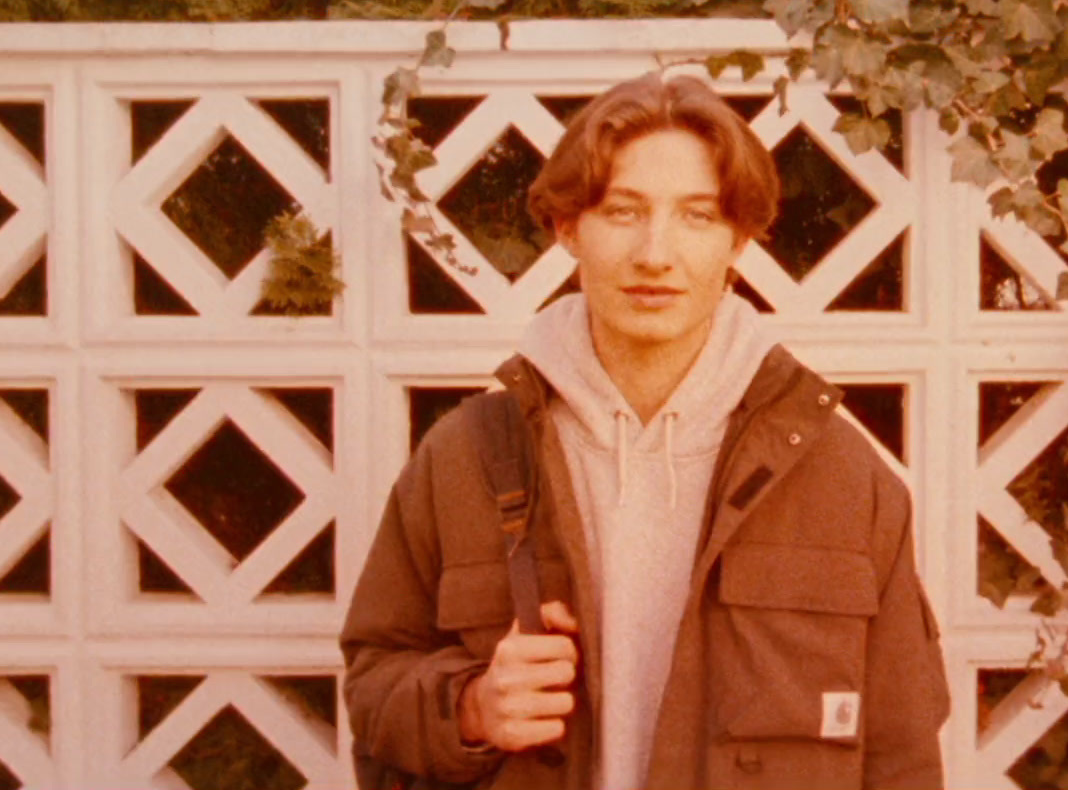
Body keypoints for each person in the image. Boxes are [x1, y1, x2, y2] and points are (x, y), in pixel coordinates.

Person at [340, 72, 951, 789]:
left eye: (696, 216)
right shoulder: (463, 457)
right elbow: (374, 684)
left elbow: (902, 753)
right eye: (623, 211)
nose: (655, 253)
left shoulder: (843, 474)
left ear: (738, 239)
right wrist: (470, 708)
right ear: (569, 227)